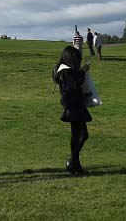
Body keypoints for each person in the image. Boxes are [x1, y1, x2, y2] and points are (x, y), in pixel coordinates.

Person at [52, 47, 92, 175]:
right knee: (81, 134)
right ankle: (73, 162)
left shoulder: (63, 70)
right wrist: (82, 72)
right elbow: (74, 85)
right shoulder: (66, 71)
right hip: (73, 105)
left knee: (78, 135)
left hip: (73, 104)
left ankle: (75, 164)